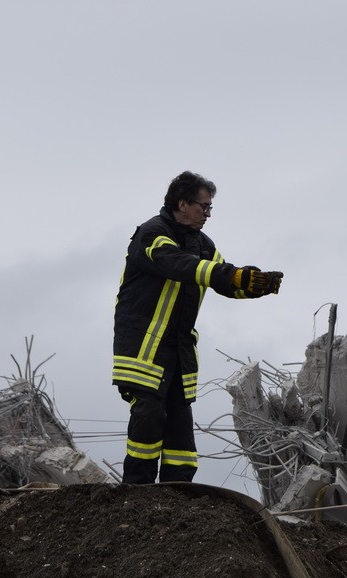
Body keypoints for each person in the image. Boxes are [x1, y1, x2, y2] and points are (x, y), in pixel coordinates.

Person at [112, 171, 282, 484]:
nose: (207, 214)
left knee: (179, 424)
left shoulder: (203, 244)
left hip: (177, 348)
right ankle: (137, 492)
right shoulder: (152, 233)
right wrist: (231, 276)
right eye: (204, 207)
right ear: (182, 203)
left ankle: (178, 494)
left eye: (210, 208)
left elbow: (222, 279)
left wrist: (252, 284)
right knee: (149, 416)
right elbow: (179, 266)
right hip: (143, 346)